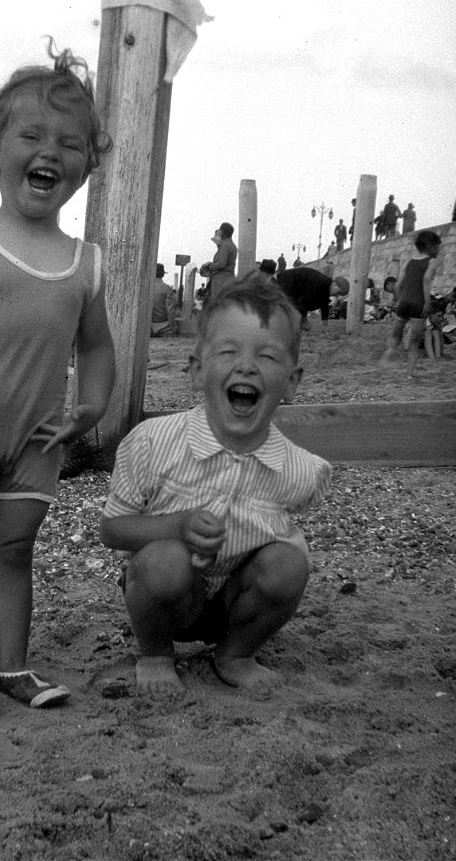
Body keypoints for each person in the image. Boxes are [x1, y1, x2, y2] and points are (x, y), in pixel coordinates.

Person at [0, 42, 116, 713]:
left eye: (69, 143)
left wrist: (88, 409)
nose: (49, 151)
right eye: (31, 135)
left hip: (37, 443)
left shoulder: (85, 263)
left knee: (12, 552)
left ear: (86, 166)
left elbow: (95, 348)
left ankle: (12, 667)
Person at [100, 278, 331, 696]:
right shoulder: (155, 443)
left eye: (266, 355)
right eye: (229, 352)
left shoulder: (298, 469)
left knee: (290, 565)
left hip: (234, 606)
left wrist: (279, 556)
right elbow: (112, 529)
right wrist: (176, 525)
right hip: (167, 594)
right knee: (163, 563)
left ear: (292, 381)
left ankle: (236, 653)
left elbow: (286, 550)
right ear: (197, 370)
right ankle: (154, 652)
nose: (246, 366)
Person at [380, 229, 442, 378]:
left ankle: (385, 361)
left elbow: (397, 286)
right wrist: (427, 302)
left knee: (395, 339)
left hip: (404, 303)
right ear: (430, 247)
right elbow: (427, 279)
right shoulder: (432, 262)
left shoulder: (409, 262)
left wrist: (401, 299)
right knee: (414, 344)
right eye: (437, 247)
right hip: (418, 304)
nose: (439, 250)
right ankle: (408, 375)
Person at [276, 266, 349, 332]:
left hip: (292, 288)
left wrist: (325, 327)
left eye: (340, 294)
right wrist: (305, 321)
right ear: (334, 284)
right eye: (339, 292)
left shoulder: (325, 288)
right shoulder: (320, 284)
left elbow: (324, 307)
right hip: (284, 283)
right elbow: (302, 303)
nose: (337, 295)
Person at [199, 223, 237, 302]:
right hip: (229, 278)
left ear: (222, 232)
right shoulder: (232, 246)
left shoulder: (225, 245)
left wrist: (209, 266)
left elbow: (221, 264)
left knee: (217, 305)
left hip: (220, 281)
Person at [151, 263, 176, 336]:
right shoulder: (167, 288)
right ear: (163, 274)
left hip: (147, 325)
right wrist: (173, 327)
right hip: (163, 325)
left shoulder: (145, 287)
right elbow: (170, 310)